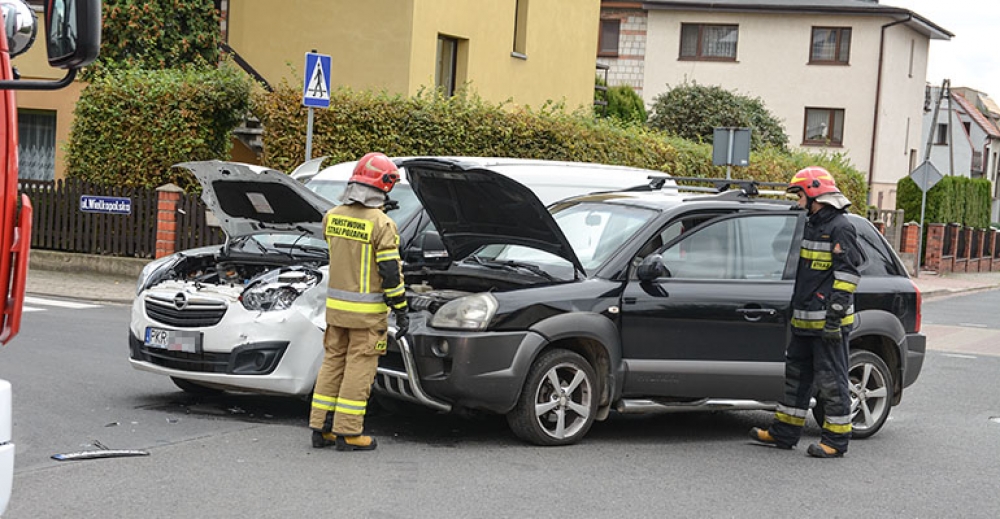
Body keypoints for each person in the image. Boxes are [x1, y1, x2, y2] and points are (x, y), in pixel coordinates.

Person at [749, 166, 861, 458]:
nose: (798, 202)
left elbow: (847, 276)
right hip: (804, 321)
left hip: (828, 324)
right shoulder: (813, 224)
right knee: (796, 379)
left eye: (800, 195)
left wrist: (834, 319)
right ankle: (784, 434)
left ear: (814, 194)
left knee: (832, 381)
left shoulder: (841, 227)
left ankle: (835, 442)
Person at [309, 152, 409, 452]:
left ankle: (321, 427)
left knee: (332, 364)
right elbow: (390, 272)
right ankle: (349, 433)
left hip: (336, 311)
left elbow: (348, 253)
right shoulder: (383, 224)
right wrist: (401, 308)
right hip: (366, 316)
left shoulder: (332, 216)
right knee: (358, 369)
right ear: (383, 186)